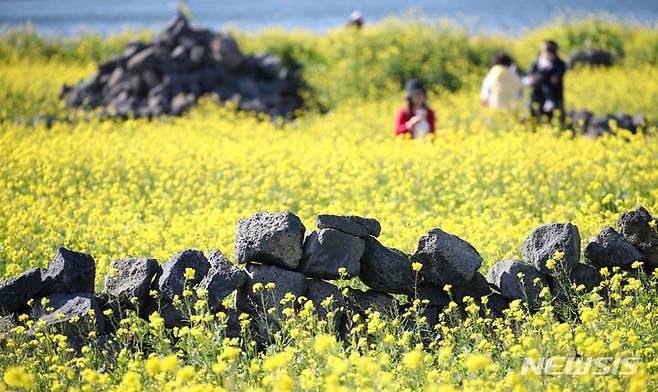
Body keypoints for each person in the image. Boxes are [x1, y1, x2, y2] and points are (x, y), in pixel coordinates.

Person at [525, 40, 567, 120]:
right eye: (543, 50)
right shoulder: (536, 63)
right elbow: (530, 77)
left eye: (547, 50)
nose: (544, 53)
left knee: (556, 120)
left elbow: (554, 80)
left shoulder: (559, 63)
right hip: (536, 98)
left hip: (555, 98)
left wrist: (543, 73)